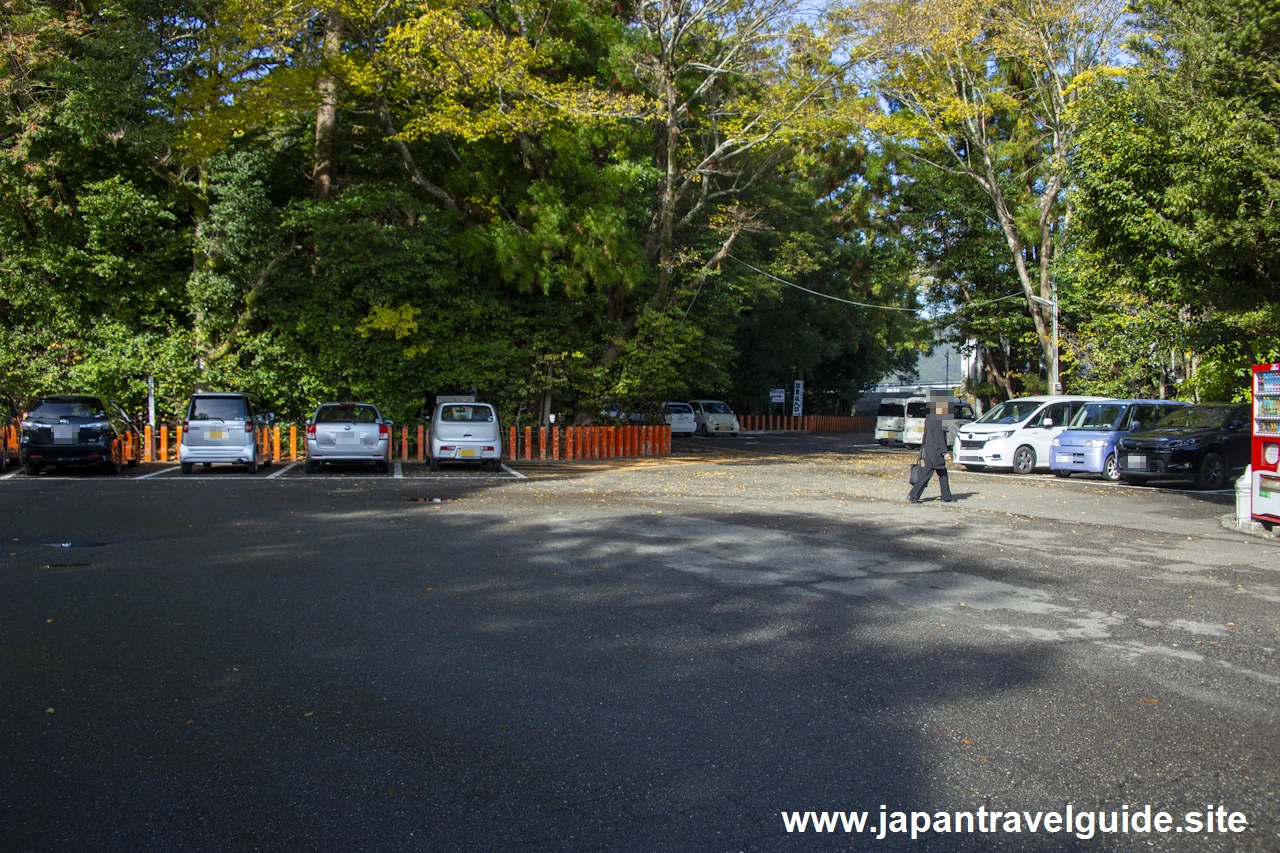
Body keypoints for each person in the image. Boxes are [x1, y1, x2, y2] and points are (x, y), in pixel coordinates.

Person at [908, 393, 954, 503]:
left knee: (941, 473)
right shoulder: (938, 421)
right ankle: (913, 495)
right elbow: (939, 439)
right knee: (928, 474)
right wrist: (944, 452)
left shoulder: (929, 419)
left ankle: (946, 496)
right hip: (935, 452)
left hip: (929, 450)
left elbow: (926, 436)